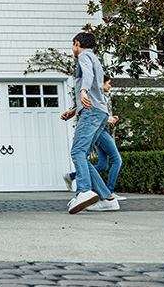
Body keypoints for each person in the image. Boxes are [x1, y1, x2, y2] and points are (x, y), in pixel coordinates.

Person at [63, 32, 119, 214]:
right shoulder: (95, 59)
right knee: (83, 156)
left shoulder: (84, 56)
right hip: (99, 112)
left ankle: (84, 191)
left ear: (77, 43)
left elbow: (87, 77)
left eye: (73, 46)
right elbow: (96, 89)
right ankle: (108, 199)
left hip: (92, 112)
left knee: (77, 151)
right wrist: (74, 110)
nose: (73, 49)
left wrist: (83, 91)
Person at [62, 74, 126, 202]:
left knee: (102, 166)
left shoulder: (99, 96)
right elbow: (93, 113)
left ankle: (72, 176)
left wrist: (71, 112)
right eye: (108, 83)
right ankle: (109, 192)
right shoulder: (97, 95)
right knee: (117, 160)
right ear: (101, 84)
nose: (110, 86)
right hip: (101, 132)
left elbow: (87, 106)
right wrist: (108, 119)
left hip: (100, 132)